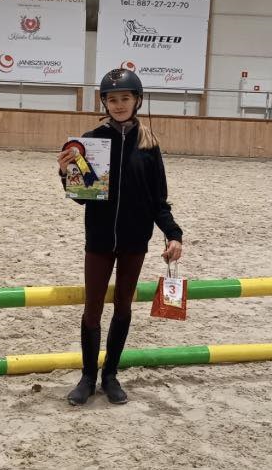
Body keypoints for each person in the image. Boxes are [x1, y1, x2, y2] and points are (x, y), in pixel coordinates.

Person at [57, 68, 183, 405]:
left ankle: (110, 374)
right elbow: (82, 196)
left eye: (125, 98)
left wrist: (173, 234)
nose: (119, 104)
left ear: (137, 100)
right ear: (105, 103)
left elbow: (158, 200)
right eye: (112, 99)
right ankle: (87, 376)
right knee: (92, 309)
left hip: (134, 242)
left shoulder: (149, 145)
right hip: (99, 240)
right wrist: (65, 172)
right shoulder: (91, 141)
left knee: (123, 307)